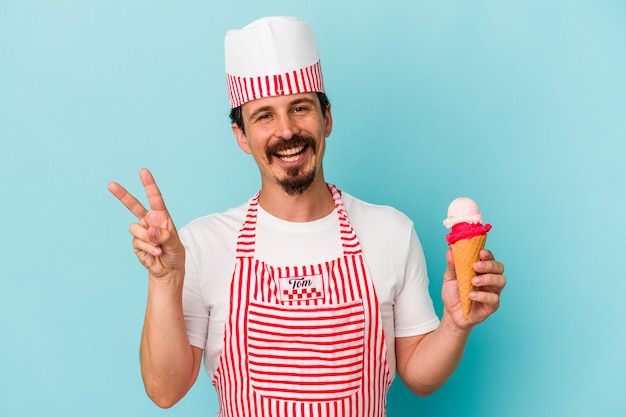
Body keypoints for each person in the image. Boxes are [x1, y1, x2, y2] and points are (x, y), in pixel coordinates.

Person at [108, 16, 506, 416]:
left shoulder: (391, 232)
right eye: (264, 115)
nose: (286, 131)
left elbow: (419, 376)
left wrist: (456, 324)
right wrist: (164, 279)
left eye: (299, 107)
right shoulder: (202, 243)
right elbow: (166, 391)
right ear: (242, 137)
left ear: (327, 118)